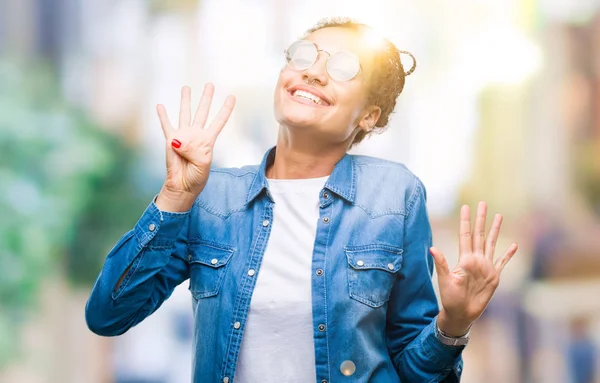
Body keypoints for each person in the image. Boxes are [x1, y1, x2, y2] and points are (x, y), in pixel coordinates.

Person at [85, 18, 518, 383]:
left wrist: (452, 325)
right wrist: (174, 197)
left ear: (369, 115)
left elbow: (414, 370)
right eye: (305, 56)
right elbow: (108, 315)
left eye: (345, 68)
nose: (313, 72)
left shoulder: (394, 195)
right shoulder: (213, 196)